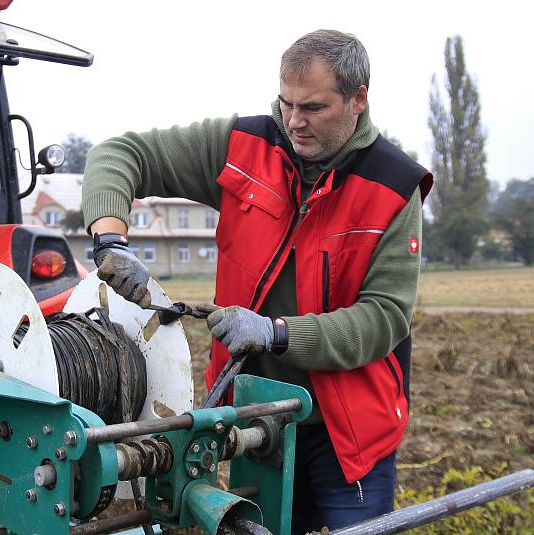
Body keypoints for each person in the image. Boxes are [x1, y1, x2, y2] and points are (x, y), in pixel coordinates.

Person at [82, 29, 433, 533]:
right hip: (258, 423)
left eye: (313, 107)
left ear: (359, 99)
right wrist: (110, 241)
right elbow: (121, 153)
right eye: (286, 103)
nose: (294, 121)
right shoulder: (245, 146)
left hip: (349, 437)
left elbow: (384, 317)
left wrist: (277, 333)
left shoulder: (393, 187)